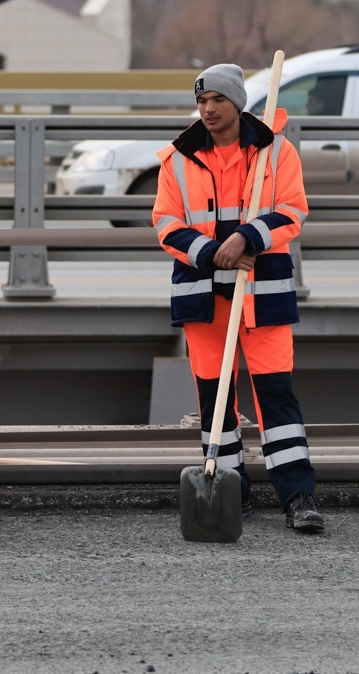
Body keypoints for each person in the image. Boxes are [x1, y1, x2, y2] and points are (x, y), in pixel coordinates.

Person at [152, 63, 324, 534]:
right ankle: (228, 489)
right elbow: (166, 223)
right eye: (202, 102)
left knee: (275, 396)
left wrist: (249, 236)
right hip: (203, 295)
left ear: (237, 102)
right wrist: (213, 252)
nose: (207, 110)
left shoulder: (275, 151)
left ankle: (297, 495)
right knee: (215, 397)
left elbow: (293, 209)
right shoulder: (177, 158)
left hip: (262, 291)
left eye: (217, 101)